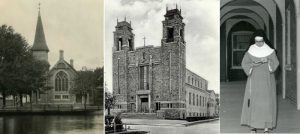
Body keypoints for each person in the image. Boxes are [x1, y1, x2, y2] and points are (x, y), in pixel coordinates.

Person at [240, 30, 279, 133]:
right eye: (256, 41)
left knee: (266, 103)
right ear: (254, 41)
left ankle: (266, 127)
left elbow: (275, 63)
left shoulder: (270, 51)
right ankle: (253, 127)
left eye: (261, 41)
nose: (259, 43)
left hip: (267, 81)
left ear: (264, 40)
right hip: (254, 80)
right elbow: (244, 63)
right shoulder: (250, 51)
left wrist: (268, 61)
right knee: (254, 103)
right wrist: (252, 65)